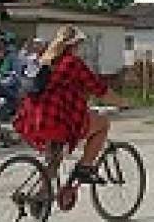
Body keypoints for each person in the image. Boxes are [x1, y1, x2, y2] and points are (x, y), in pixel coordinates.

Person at [14, 25, 128, 185]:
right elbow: (100, 90)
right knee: (102, 123)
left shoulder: (41, 60)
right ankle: (85, 167)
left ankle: (41, 197)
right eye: (78, 45)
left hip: (33, 117)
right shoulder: (72, 63)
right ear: (73, 45)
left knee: (54, 157)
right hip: (57, 119)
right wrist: (123, 102)